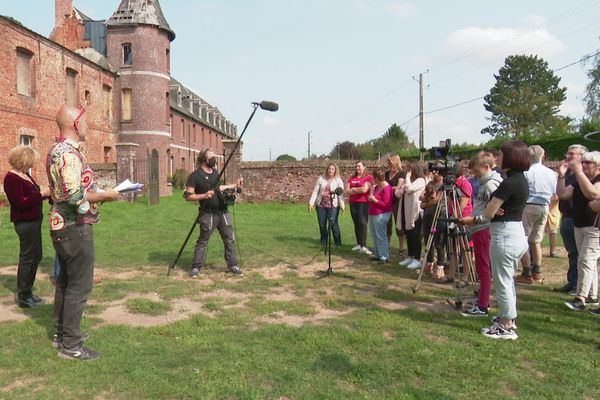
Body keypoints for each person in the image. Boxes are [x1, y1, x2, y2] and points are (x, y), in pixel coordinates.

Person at [47, 105, 119, 360]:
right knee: (79, 285)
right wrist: (107, 196)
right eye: (85, 121)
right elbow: (74, 196)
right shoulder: (68, 154)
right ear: (76, 124)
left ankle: (61, 334)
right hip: (74, 227)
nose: (88, 126)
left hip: (61, 226)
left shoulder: (56, 150)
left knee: (66, 282)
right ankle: (72, 346)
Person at [461, 140, 530, 340]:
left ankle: (506, 325)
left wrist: (489, 210)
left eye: (500, 154)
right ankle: (508, 318)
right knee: (506, 280)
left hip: (505, 235)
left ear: (511, 157)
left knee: (503, 282)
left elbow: (490, 211)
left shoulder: (508, 183)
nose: (497, 157)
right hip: (515, 231)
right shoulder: (520, 179)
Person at [185, 148, 244, 278]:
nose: (214, 159)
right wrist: (204, 195)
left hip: (222, 212)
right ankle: (196, 268)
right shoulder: (195, 176)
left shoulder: (215, 173)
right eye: (212, 157)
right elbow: (188, 196)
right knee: (203, 241)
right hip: (208, 214)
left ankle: (232, 265)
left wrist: (235, 185)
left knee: (229, 239)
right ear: (205, 159)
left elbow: (218, 188)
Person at [3, 146, 51, 308]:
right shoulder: (11, 178)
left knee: (36, 256)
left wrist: (44, 195)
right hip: (25, 223)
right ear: (23, 160)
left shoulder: (25, 175)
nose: (33, 164)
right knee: (28, 258)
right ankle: (23, 296)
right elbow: (20, 203)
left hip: (34, 221)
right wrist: (41, 194)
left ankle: (29, 291)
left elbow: (32, 198)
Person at [460, 152, 502, 317]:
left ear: (486, 167)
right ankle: (483, 300)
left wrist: (474, 220)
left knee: (483, 268)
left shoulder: (491, 185)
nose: (475, 176)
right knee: (483, 268)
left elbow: (494, 210)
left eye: (477, 172)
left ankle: (483, 304)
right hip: (481, 228)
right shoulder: (487, 183)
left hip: (483, 228)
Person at [558, 151, 600, 311]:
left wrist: (579, 173)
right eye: (583, 162)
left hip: (594, 226)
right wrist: (561, 176)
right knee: (589, 262)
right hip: (580, 224)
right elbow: (563, 194)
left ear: (598, 166)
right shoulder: (579, 180)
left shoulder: (596, 180)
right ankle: (592, 296)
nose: (584, 165)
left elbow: (593, 193)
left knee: (585, 260)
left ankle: (580, 298)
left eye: (588, 162)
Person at [516, 145, 557, 285]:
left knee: (523, 238)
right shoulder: (551, 173)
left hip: (529, 205)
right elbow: (553, 194)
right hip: (544, 206)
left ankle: (527, 272)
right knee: (536, 240)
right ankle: (537, 272)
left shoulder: (527, 172)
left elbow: (522, 191)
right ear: (542, 156)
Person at [553, 144, 587, 294]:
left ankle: (579, 286)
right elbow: (561, 194)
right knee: (572, 252)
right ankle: (572, 282)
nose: (568, 156)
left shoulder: (585, 174)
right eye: (568, 153)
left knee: (582, 255)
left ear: (582, 156)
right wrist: (561, 175)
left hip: (580, 219)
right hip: (566, 217)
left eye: (572, 154)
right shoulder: (568, 173)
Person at [396, 162, 426, 270]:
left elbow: (410, 189)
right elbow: (397, 193)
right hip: (405, 210)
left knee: (415, 235)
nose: (407, 172)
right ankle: (410, 256)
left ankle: (417, 259)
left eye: (409, 170)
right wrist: (402, 189)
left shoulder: (421, 181)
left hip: (415, 212)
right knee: (408, 234)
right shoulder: (406, 180)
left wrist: (407, 180)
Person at [309, 164, 345, 247]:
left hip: (333, 206)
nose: (331, 171)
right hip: (321, 205)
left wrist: (342, 205)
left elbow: (341, 194)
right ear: (327, 170)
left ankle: (338, 243)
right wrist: (311, 203)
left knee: (333, 224)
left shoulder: (338, 180)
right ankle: (324, 242)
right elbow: (315, 192)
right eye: (329, 169)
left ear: (335, 171)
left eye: (332, 169)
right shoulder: (321, 179)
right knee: (322, 224)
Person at [420, 175, 446, 278]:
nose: (435, 174)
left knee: (438, 242)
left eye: (438, 172)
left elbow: (437, 199)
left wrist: (425, 203)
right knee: (428, 240)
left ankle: (440, 266)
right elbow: (420, 196)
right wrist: (427, 199)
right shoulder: (430, 183)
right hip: (428, 215)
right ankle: (429, 263)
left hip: (439, 215)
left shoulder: (444, 185)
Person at [346, 161, 374, 255]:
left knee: (363, 223)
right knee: (356, 223)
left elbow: (365, 189)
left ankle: (364, 246)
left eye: (359, 166)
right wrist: (357, 190)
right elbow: (347, 190)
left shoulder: (368, 177)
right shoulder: (351, 178)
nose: (358, 168)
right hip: (353, 203)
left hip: (364, 203)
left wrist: (353, 190)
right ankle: (359, 244)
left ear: (364, 167)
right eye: (356, 166)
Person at [367, 169, 394, 263]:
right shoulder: (377, 186)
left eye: (374, 178)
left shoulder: (387, 188)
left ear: (378, 178)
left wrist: (375, 201)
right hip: (373, 213)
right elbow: (371, 197)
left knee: (381, 235)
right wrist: (371, 192)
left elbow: (386, 204)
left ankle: (384, 256)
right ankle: (377, 254)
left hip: (381, 214)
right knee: (374, 234)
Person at [385, 155, 406, 255]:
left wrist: (387, 188)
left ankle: (401, 248)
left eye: (389, 161)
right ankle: (387, 246)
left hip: (397, 202)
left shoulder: (401, 173)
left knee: (399, 225)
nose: (388, 163)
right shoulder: (386, 174)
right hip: (386, 202)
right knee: (387, 224)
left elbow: (399, 187)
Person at [545, 194, 560, 258]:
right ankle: (533, 250)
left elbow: (556, 197)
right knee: (539, 231)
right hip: (544, 209)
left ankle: (553, 251)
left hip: (553, 211)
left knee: (553, 231)